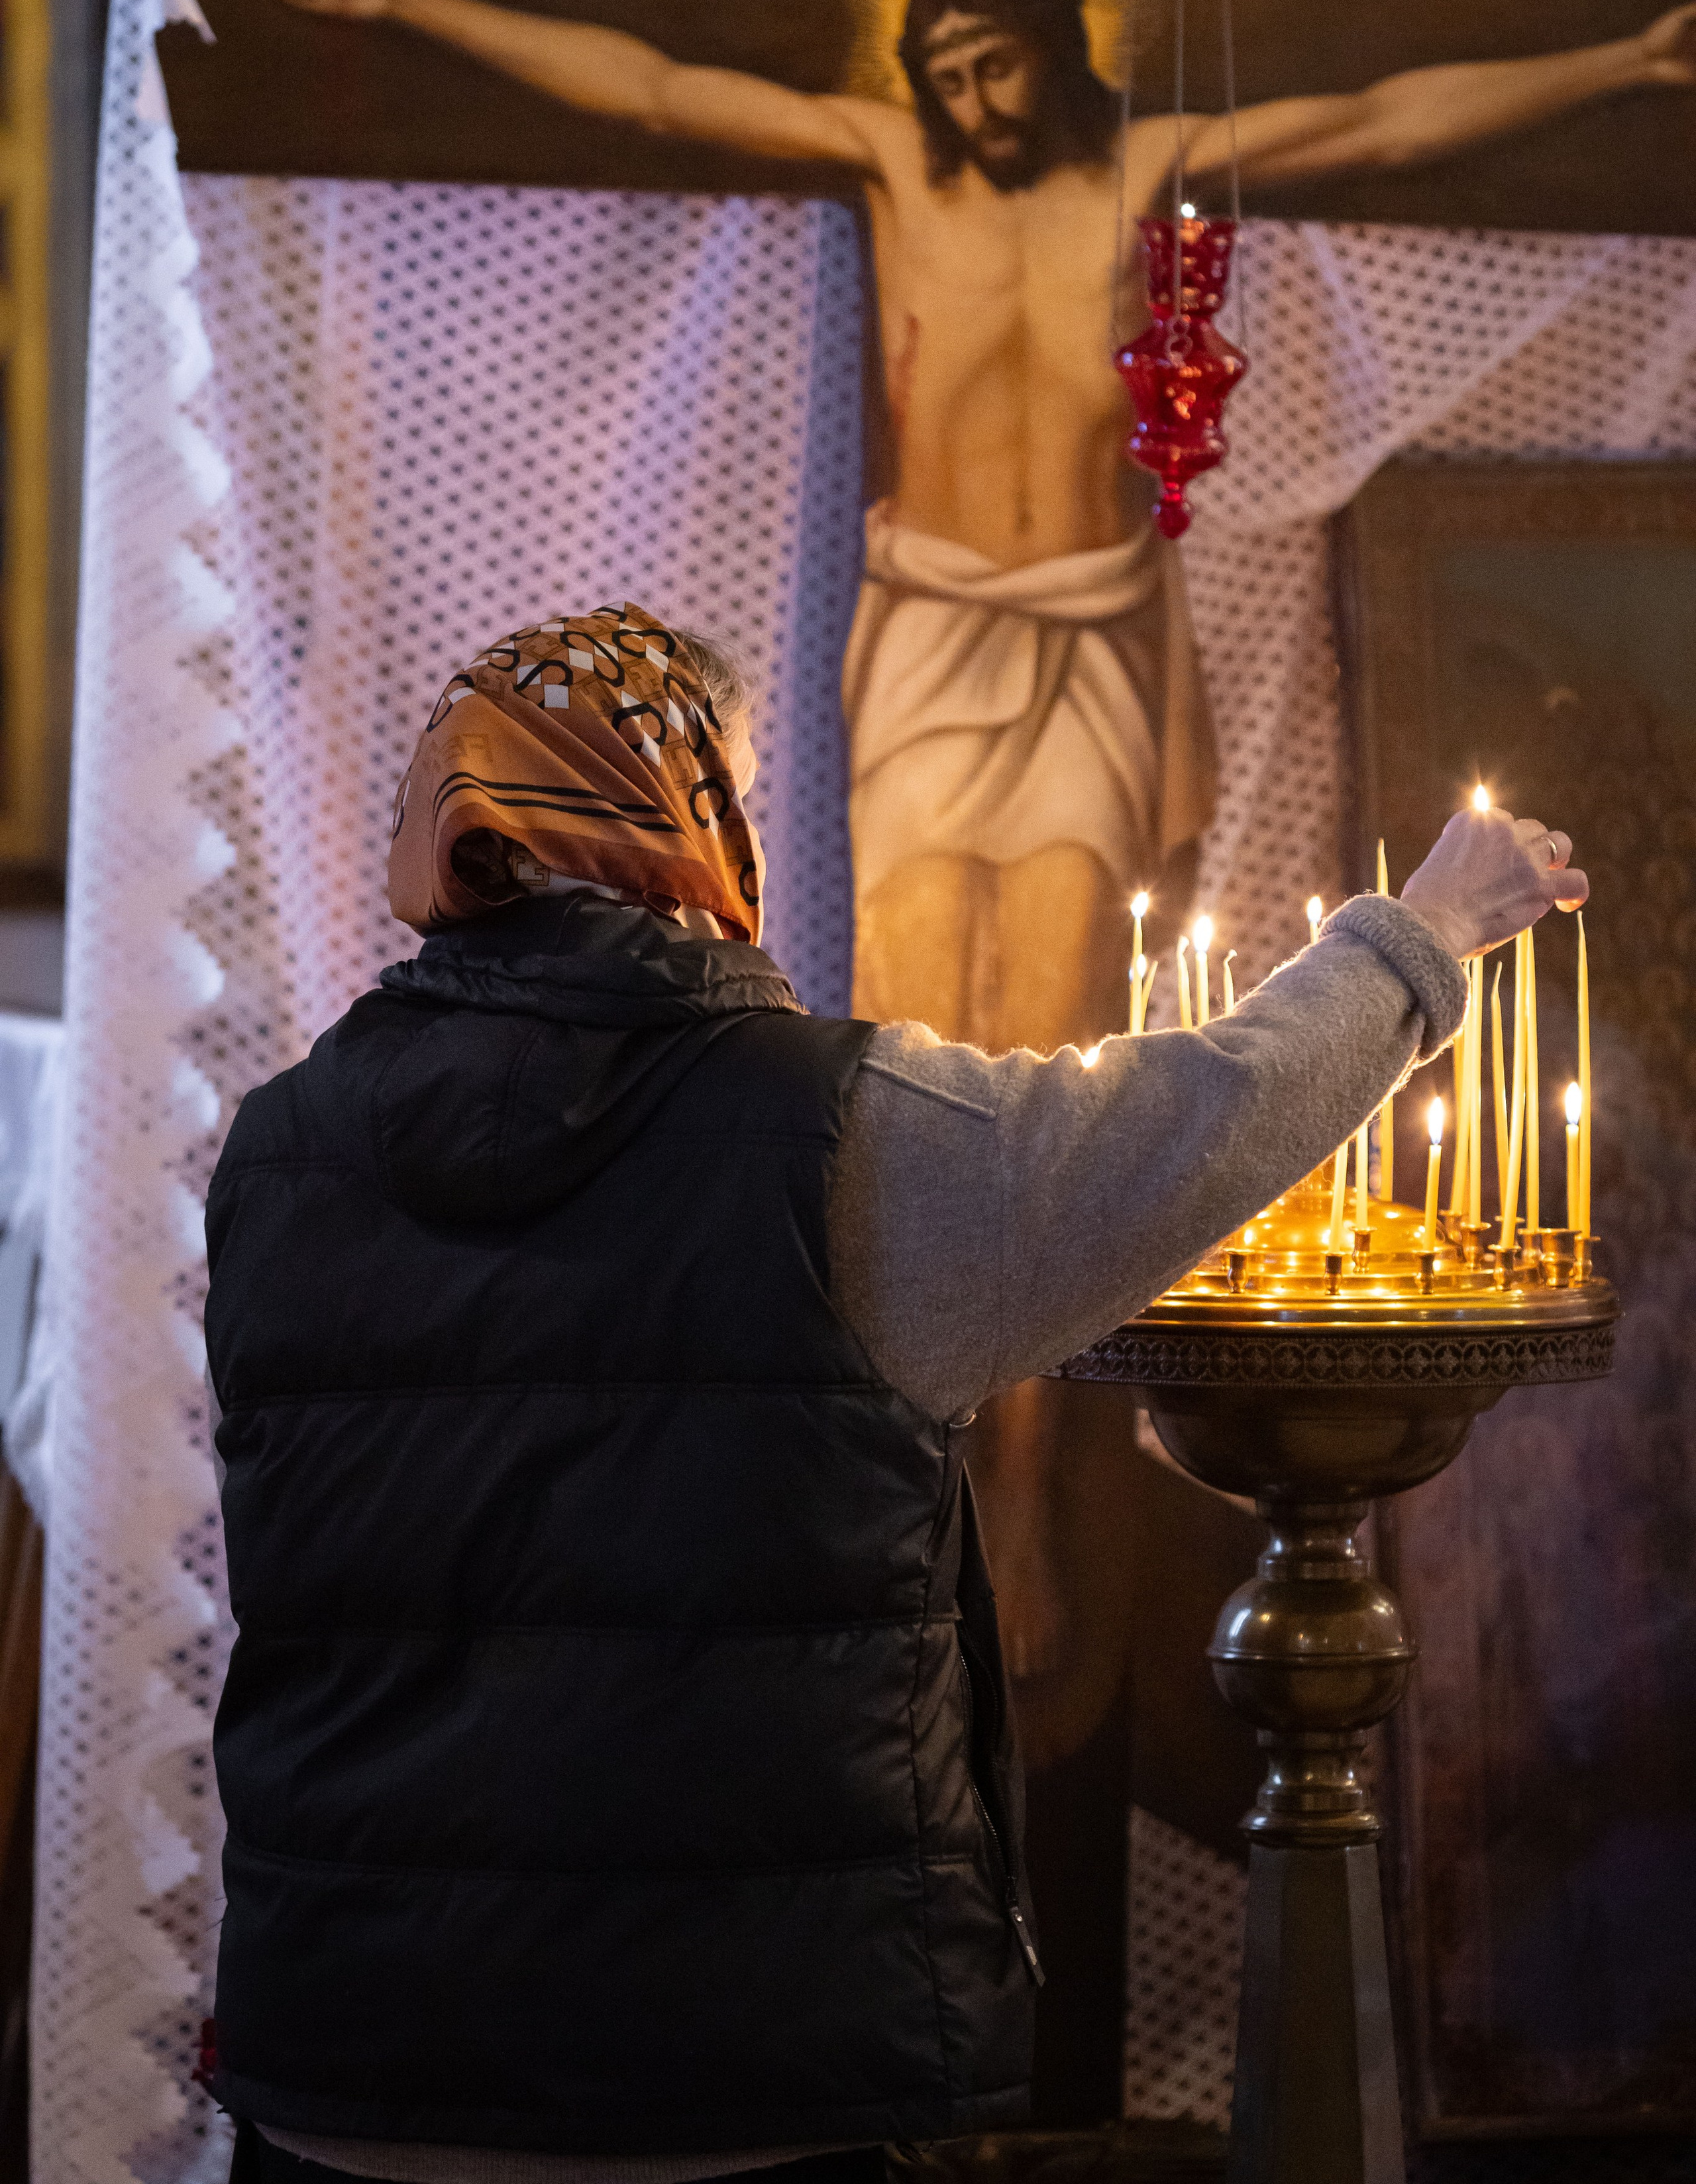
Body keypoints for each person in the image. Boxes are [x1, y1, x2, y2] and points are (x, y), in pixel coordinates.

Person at [203, 600, 1587, 2184]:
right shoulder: (844, 1136)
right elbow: (1195, 1117)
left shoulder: (277, 1149)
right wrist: (1421, 937)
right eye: (733, 789)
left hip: (348, 2068)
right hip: (724, 2084)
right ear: (688, 815)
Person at [255, 0, 1679, 1049]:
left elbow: (1378, 122)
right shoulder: (895, 163)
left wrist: (1623, 58)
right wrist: (407, 1)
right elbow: (658, 91)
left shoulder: (1141, 165)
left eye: (993, 64)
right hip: (930, 623)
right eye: (943, 75)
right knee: (911, 968)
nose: (969, 99)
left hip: (1094, 626)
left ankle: (1049, 1341)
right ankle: (922, 1328)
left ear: (1052, 53)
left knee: (1072, 980)